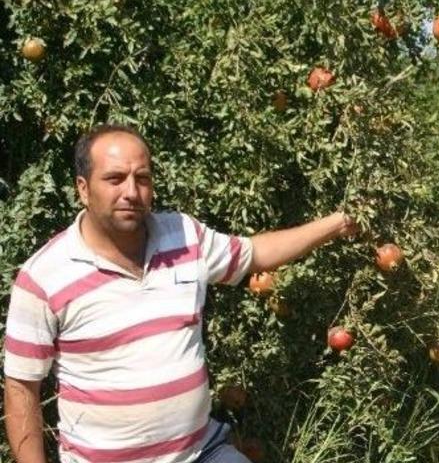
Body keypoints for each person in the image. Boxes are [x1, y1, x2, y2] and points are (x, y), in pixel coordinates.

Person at [3, 124, 357, 462]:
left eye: (142, 178)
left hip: (201, 452)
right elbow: (21, 388)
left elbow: (256, 254)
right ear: (83, 188)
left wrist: (338, 223)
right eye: (114, 179)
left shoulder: (185, 236)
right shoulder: (45, 277)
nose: (131, 191)